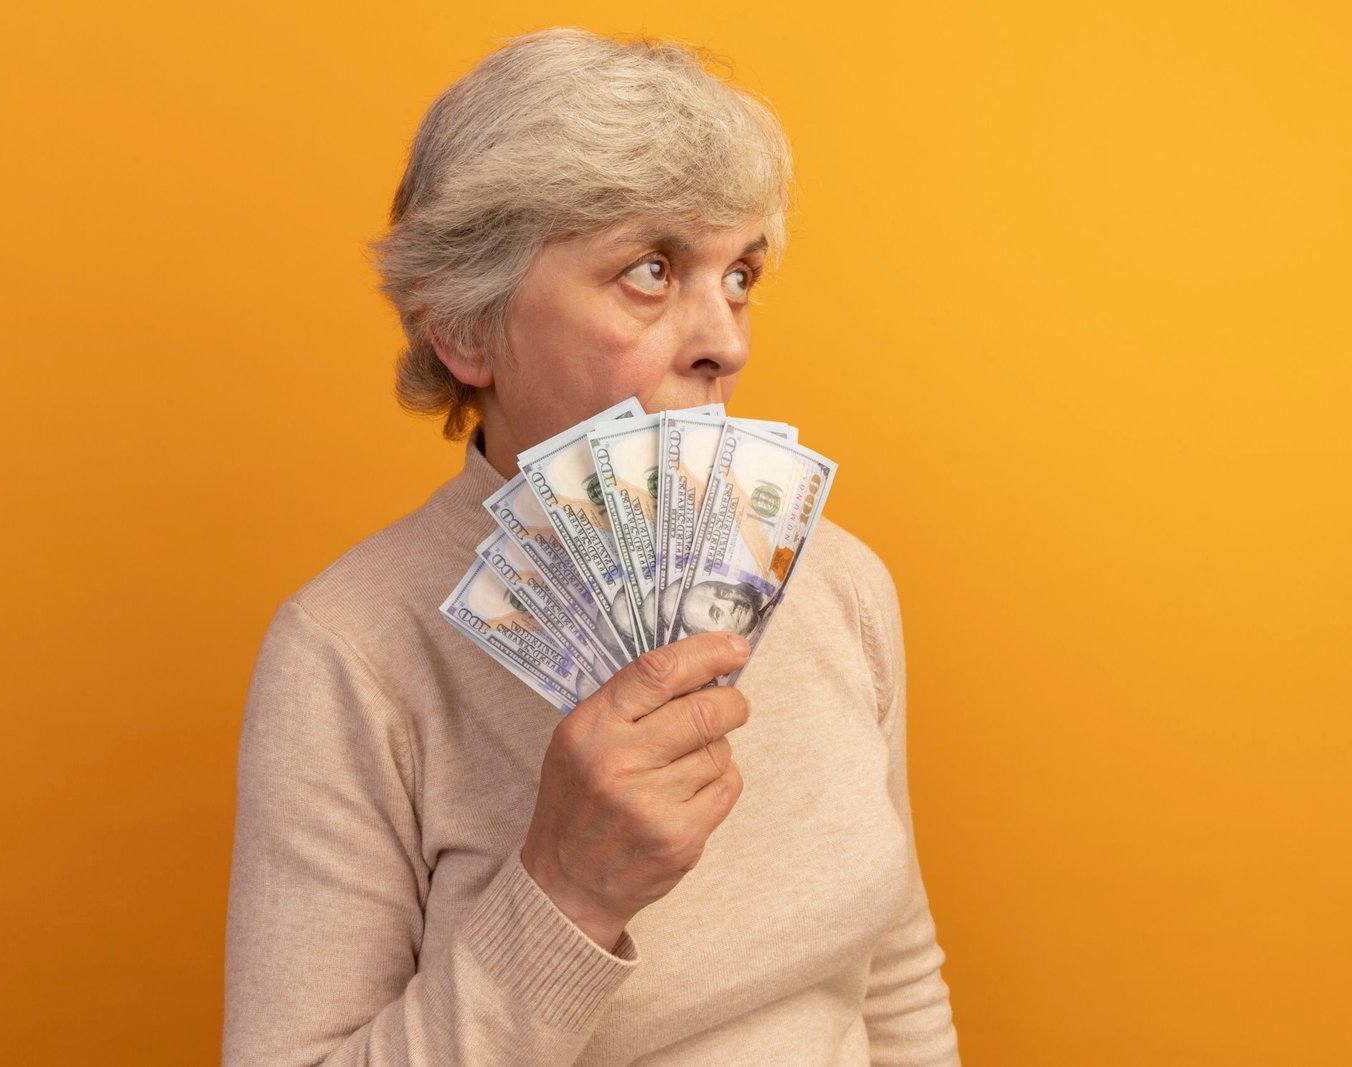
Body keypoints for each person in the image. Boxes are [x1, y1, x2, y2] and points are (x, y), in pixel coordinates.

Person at [223, 28, 959, 1066]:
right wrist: (565, 892)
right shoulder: (347, 654)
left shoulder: (839, 583)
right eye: (651, 269)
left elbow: (894, 980)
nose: (728, 339)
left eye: (740, 272)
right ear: (466, 328)